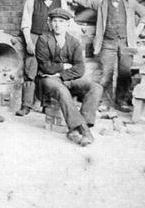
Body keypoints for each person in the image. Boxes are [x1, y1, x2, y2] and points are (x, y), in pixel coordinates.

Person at [66, 0, 145, 113]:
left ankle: (120, 102)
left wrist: (137, 31)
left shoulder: (130, 3)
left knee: (124, 73)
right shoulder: (101, 3)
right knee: (106, 73)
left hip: (126, 42)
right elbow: (85, 1)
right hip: (107, 43)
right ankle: (105, 102)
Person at [36, 8, 102, 147]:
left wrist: (60, 73)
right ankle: (84, 131)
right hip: (48, 79)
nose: (57, 25)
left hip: (65, 78)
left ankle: (81, 126)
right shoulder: (43, 40)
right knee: (61, 90)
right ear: (50, 23)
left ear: (67, 24)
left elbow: (80, 69)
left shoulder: (74, 42)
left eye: (61, 21)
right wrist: (63, 66)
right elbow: (44, 66)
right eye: (54, 21)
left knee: (96, 87)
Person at [17, 0, 61, 117]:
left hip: (52, 40)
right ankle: (26, 105)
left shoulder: (61, 1)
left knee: (50, 72)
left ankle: (47, 104)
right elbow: (25, 22)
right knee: (30, 72)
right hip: (35, 37)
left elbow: (66, 24)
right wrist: (29, 41)